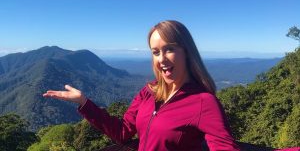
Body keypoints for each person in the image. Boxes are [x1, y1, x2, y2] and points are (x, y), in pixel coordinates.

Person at [43, 20, 240, 151]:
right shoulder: (148, 92)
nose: (161, 59)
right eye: (155, 52)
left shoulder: (203, 102)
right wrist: (83, 102)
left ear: (186, 52)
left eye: (169, 49)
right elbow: (122, 132)